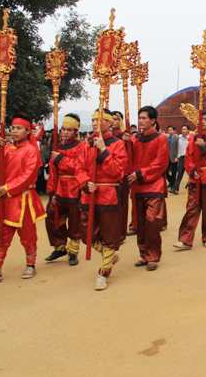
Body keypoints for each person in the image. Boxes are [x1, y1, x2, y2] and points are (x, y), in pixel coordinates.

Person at [0, 114, 46, 285]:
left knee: (27, 235)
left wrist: (7, 188)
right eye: (13, 128)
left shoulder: (31, 150)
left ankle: (30, 264)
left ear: (28, 131)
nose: (14, 131)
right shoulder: (6, 148)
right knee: (1, 235)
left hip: (23, 199)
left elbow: (28, 176)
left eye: (18, 128)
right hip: (6, 199)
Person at [78, 109, 128, 290]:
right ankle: (110, 254)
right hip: (89, 194)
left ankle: (103, 272)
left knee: (109, 235)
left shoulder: (118, 144)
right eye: (92, 120)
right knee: (86, 233)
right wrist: (85, 182)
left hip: (108, 194)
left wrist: (104, 150)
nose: (93, 123)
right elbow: (79, 168)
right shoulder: (86, 144)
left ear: (109, 123)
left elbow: (117, 171)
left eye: (98, 120)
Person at [174, 110, 206, 250]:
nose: (203, 122)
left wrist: (205, 148)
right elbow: (188, 157)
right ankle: (185, 239)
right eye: (202, 119)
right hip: (196, 178)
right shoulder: (193, 138)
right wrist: (191, 170)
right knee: (191, 208)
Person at [128, 106, 168, 271]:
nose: (141, 121)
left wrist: (140, 173)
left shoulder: (161, 139)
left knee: (152, 222)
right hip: (138, 187)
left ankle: (153, 256)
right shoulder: (134, 140)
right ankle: (144, 254)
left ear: (152, 120)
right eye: (140, 118)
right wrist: (125, 143)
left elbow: (160, 163)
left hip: (154, 185)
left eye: (144, 118)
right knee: (140, 223)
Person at [44, 114, 86, 266]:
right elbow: (54, 171)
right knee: (52, 217)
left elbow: (79, 167)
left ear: (76, 131)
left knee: (75, 221)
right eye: (63, 129)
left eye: (69, 130)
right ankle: (60, 246)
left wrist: (60, 159)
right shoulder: (57, 146)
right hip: (59, 188)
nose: (65, 132)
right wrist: (52, 191)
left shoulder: (82, 146)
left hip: (75, 187)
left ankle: (73, 251)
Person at [173, 125, 190, 194]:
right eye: (182, 129)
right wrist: (176, 156)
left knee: (191, 174)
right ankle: (175, 189)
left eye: (185, 129)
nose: (183, 131)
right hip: (181, 158)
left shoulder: (190, 138)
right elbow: (176, 148)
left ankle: (192, 187)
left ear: (188, 130)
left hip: (189, 158)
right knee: (179, 173)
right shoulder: (178, 138)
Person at [166, 126, 179, 191]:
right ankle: (171, 181)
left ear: (174, 131)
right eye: (168, 130)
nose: (169, 131)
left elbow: (178, 147)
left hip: (174, 157)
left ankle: (172, 185)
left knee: (174, 172)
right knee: (165, 171)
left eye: (171, 130)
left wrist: (177, 156)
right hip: (167, 157)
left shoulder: (176, 137)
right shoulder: (167, 137)